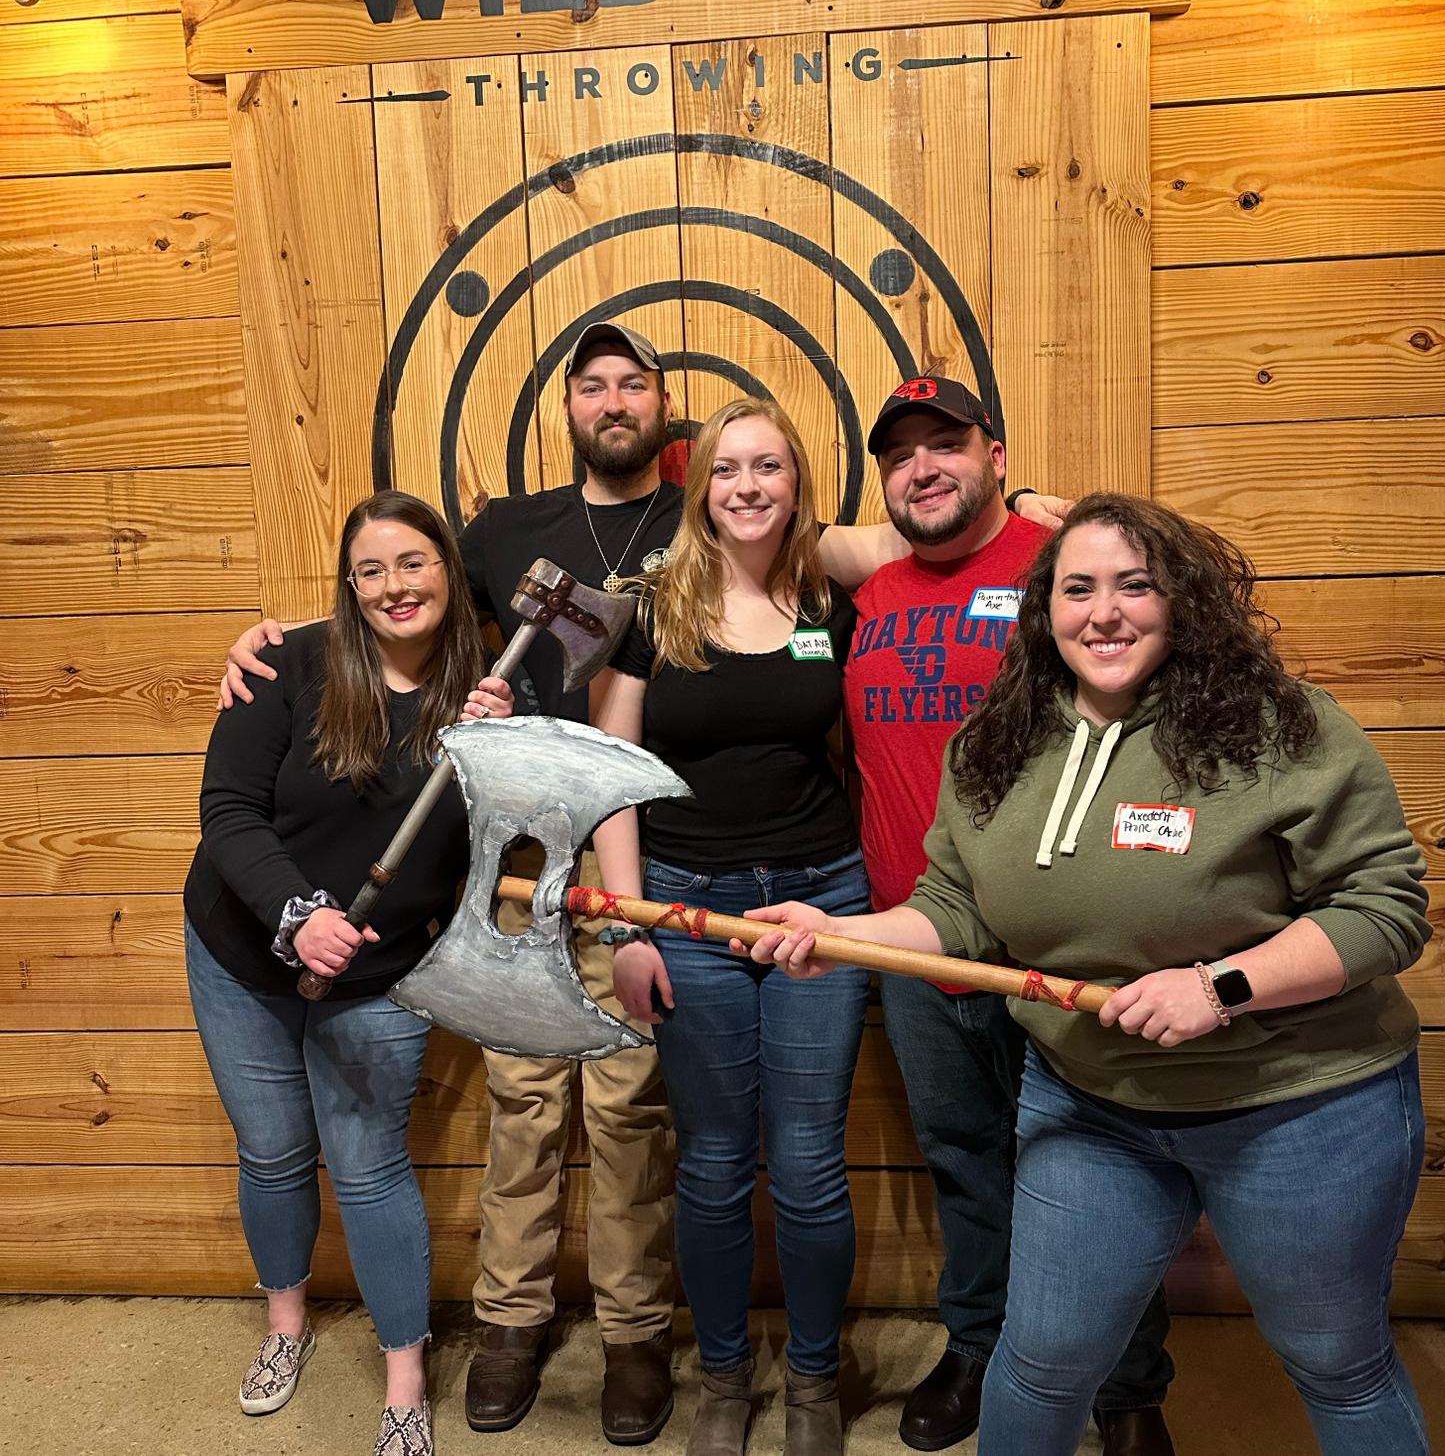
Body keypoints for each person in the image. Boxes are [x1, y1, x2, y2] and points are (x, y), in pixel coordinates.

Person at [220, 320, 1070, 1443]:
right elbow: (402, 602)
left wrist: (1049, 512)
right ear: (582, 414)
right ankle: (568, 1339)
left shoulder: (789, 558)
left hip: (769, 884)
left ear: (668, 416)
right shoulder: (536, 544)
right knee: (551, 1115)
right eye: (594, 386)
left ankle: (713, 1359)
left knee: (704, 1138)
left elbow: (923, 525)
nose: (615, 401)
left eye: (635, 385)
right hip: (568, 874)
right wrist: (280, 636)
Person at [749, 492, 1433, 1456]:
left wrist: (1219, 987)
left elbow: (1384, 910)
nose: (1103, 612)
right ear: (1046, 610)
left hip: (1299, 1104)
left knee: (1336, 1360)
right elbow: (956, 908)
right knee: (1042, 1361)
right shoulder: (993, 744)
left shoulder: (1284, 727)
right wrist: (843, 933)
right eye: (1077, 589)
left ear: (1182, 600)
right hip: (1092, 1103)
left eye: (1133, 585)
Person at [841, 380, 1173, 1455]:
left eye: (948, 445)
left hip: (1051, 936)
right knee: (964, 1157)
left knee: (1104, 1166)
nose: (924, 468)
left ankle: (1128, 1389)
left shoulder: (1057, 570)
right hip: (915, 936)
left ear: (995, 451)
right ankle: (978, 1345)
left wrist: (1051, 507)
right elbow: (748, 524)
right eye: (901, 456)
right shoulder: (876, 586)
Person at [185, 491, 505, 1456]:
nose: (394, 586)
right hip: (246, 947)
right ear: (347, 583)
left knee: (369, 1170)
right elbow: (228, 810)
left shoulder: (491, 695)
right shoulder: (291, 661)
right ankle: (286, 1327)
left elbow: (505, 841)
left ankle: (404, 1379)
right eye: (370, 570)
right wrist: (296, 914)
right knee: (275, 1149)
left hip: (384, 972)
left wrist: (507, 748)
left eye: (414, 563)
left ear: (449, 571)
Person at [591, 398, 870, 1456]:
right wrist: (627, 929)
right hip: (688, 906)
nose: (749, 486)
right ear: (700, 485)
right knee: (711, 1165)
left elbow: (926, 541)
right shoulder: (649, 607)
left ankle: (810, 1379)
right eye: (728, 469)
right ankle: (721, 1377)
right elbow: (609, 779)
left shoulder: (830, 597)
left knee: (808, 1166)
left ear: (798, 482)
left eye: (771, 467)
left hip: (824, 900)